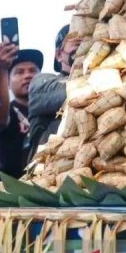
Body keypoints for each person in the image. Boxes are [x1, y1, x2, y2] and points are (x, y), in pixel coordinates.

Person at [24, 24, 82, 161]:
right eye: (76, 41)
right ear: (59, 54)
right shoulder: (43, 82)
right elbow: (65, 93)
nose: (83, 45)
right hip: (50, 172)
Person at [0, 45, 43, 178]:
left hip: (47, 184)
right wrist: (1, 68)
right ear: (8, 82)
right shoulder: (4, 111)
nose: (27, 76)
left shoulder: (52, 110)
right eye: (19, 72)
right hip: (10, 187)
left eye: (33, 71)